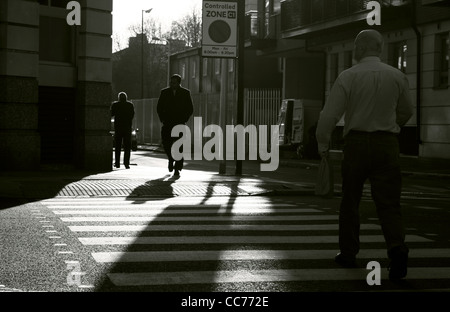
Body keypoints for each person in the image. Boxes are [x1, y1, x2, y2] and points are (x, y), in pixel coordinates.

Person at [315, 29, 414, 280]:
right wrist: (394, 126)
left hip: (356, 143)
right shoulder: (397, 76)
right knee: (389, 203)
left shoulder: (348, 76)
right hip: (387, 144)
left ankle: (348, 253)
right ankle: (396, 248)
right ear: (379, 48)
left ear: (359, 49)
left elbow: (330, 115)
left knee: (350, 201)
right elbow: (407, 111)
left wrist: (323, 143)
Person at [157, 74, 194, 176]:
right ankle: (171, 158)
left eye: (174, 82)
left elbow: (190, 108)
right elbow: (159, 107)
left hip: (179, 123)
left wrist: (184, 119)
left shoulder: (185, 93)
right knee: (166, 143)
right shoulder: (164, 92)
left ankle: (177, 167)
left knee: (179, 146)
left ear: (178, 83)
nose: (171, 84)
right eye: (171, 82)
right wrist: (162, 118)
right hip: (167, 122)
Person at [111, 92, 135, 169]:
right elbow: (132, 115)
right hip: (127, 128)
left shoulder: (115, 105)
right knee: (127, 147)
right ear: (126, 97)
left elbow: (111, 114)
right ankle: (126, 163)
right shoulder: (130, 105)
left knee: (118, 146)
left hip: (118, 128)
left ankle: (117, 163)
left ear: (119, 98)